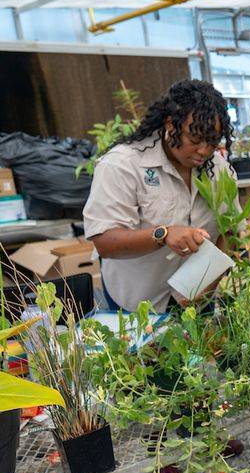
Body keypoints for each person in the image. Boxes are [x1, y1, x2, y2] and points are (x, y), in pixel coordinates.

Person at [83, 78, 235, 315]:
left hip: (196, 299)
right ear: (171, 125)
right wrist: (163, 234)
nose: (204, 150)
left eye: (213, 142)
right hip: (138, 303)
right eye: (194, 139)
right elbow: (105, 242)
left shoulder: (219, 170)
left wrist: (205, 288)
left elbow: (229, 231)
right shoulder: (123, 164)